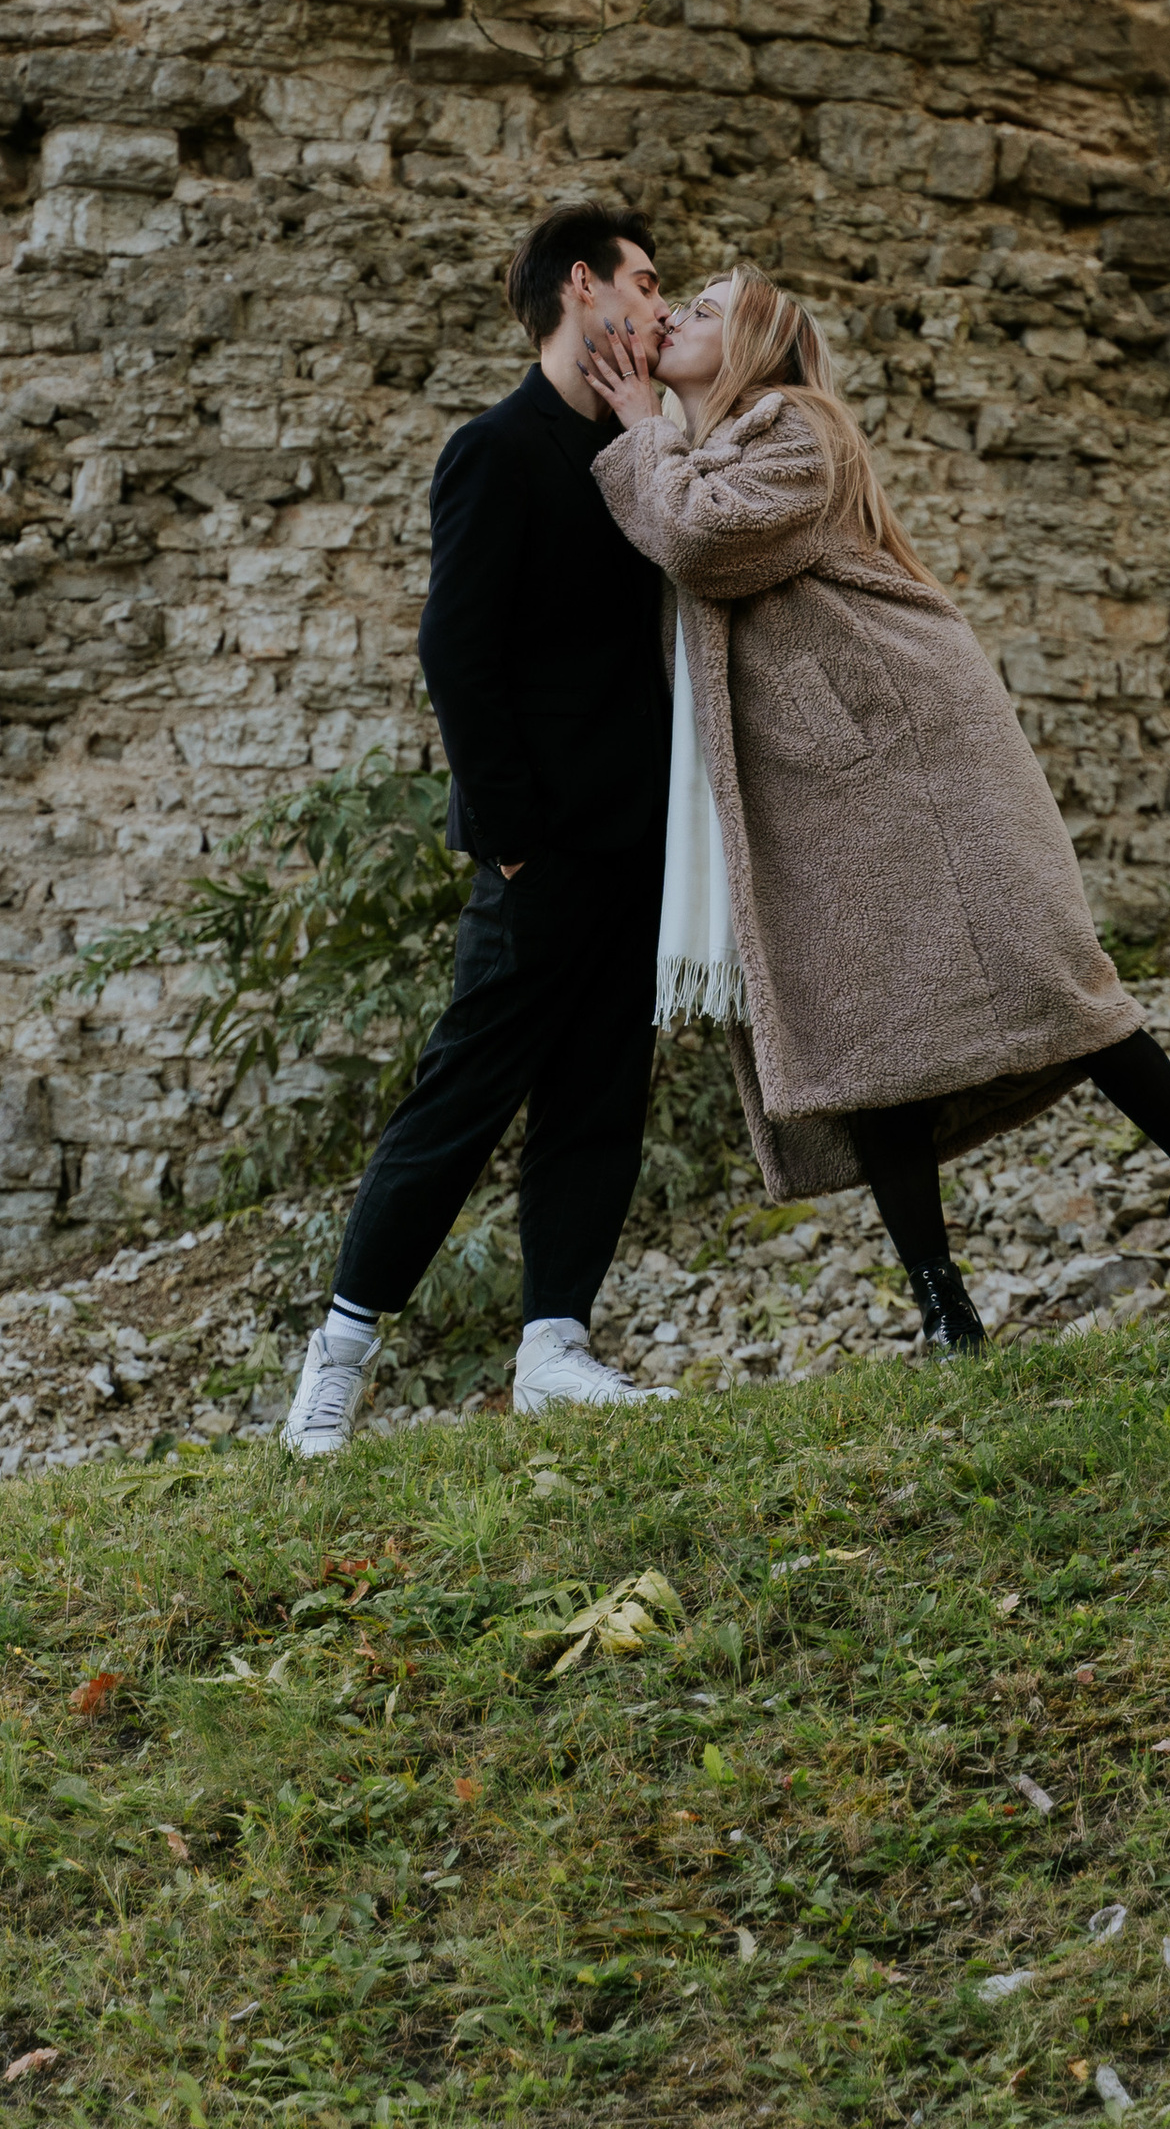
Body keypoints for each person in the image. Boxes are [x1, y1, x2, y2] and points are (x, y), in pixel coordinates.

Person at [585, 266, 1170, 1349]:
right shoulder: (698, 447)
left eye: (706, 310)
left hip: (914, 755)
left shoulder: (795, 427)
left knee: (1052, 980)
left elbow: (700, 541)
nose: (674, 314)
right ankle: (944, 1313)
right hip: (814, 785)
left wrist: (641, 426)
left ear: (757, 345)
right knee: (862, 1032)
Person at [280, 201, 682, 1456]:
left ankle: (554, 1350)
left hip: (643, 838)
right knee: (461, 1097)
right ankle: (338, 1359)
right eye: (646, 281)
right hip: (540, 847)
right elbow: (455, 652)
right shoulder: (494, 449)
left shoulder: (642, 445)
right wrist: (511, 837)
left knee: (599, 1100)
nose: (661, 304)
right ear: (583, 286)